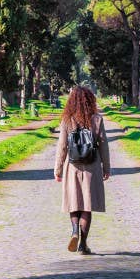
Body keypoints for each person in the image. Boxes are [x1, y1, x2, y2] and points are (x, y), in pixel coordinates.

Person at [53, 86, 111, 254]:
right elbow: (104, 146)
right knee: (87, 205)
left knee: (74, 202)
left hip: (73, 167)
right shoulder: (97, 119)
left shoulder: (67, 119)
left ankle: (74, 231)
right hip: (92, 167)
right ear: (89, 100)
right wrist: (106, 168)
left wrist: (58, 169)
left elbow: (62, 146)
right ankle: (83, 245)